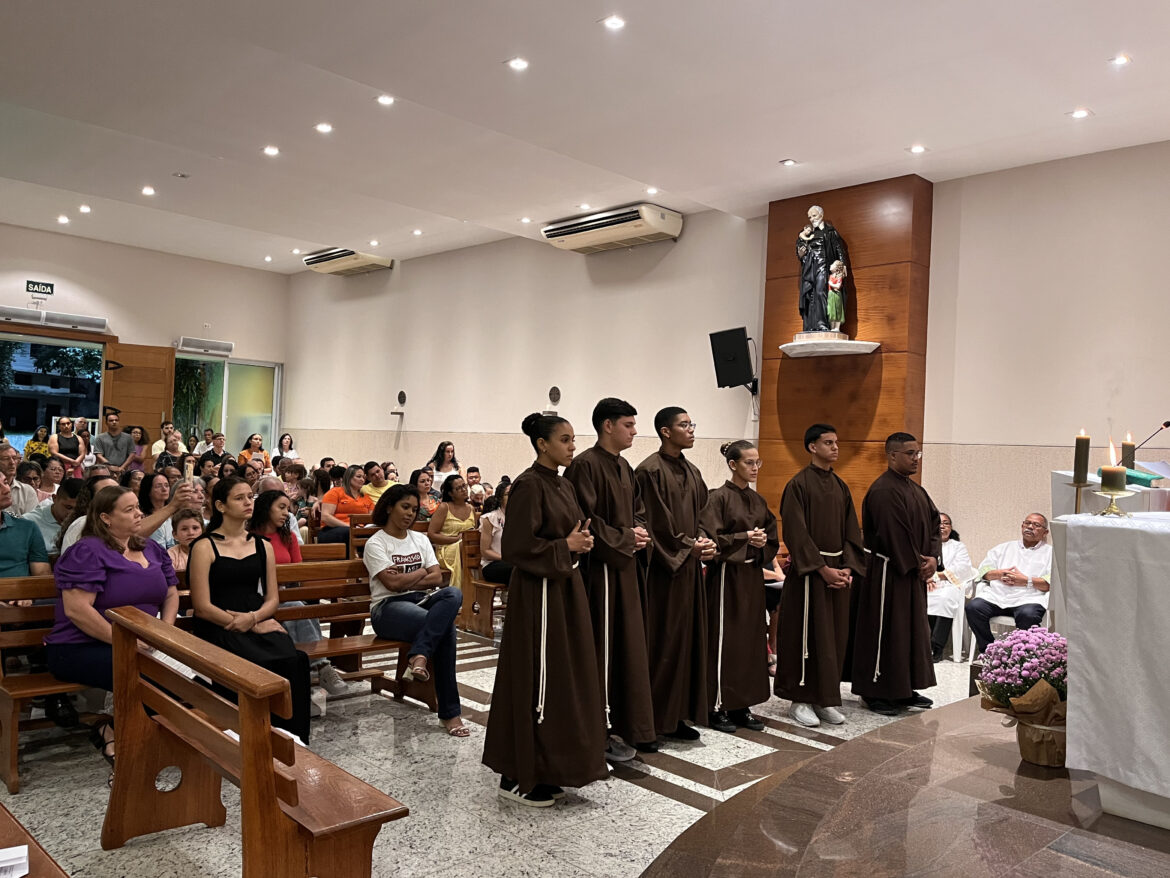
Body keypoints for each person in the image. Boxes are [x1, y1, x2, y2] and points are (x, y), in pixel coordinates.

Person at [482, 413, 605, 806]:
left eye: (573, 439)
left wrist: (581, 542)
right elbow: (516, 547)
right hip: (538, 595)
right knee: (535, 676)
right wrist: (565, 547)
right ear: (542, 444)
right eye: (565, 439)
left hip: (564, 590)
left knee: (563, 680)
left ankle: (550, 765)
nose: (573, 445)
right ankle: (518, 773)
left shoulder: (562, 484)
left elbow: (568, 533)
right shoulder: (528, 485)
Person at [45, 485, 180, 769]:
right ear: (106, 517)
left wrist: (165, 633)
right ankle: (126, 741)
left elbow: (170, 593)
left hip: (143, 641)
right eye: (129, 509)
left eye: (138, 508)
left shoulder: (151, 548)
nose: (139, 514)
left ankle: (147, 739)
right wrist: (126, 641)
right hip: (79, 646)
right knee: (146, 671)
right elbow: (77, 610)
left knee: (190, 670)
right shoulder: (88, 550)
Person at [564, 397, 656, 759]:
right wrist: (624, 538)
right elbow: (585, 519)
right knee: (602, 648)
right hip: (599, 573)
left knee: (626, 647)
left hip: (625, 569)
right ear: (608, 425)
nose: (634, 431)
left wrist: (640, 531)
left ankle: (624, 724)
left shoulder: (624, 467)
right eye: (629, 425)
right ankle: (597, 730)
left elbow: (638, 511)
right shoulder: (586, 465)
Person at [187, 477, 312, 743]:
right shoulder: (204, 546)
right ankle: (249, 733)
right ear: (220, 505)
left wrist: (256, 618)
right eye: (239, 498)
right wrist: (251, 624)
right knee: (255, 663)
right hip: (219, 621)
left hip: (256, 615)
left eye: (249, 497)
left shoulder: (260, 545)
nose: (248, 502)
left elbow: (272, 599)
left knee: (293, 659)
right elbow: (202, 606)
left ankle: (291, 737)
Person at [775, 424, 866, 727]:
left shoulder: (841, 486)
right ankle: (800, 698)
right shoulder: (798, 485)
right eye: (828, 443)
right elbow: (796, 533)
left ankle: (825, 698)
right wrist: (822, 569)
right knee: (807, 636)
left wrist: (849, 568)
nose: (835, 448)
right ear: (812, 447)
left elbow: (852, 530)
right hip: (810, 575)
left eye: (836, 442)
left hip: (837, 574)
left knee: (833, 639)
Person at [634, 407, 714, 744]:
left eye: (692, 424)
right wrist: (687, 547)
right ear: (666, 432)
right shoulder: (648, 471)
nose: (692, 430)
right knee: (662, 643)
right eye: (685, 425)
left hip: (690, 571)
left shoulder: (693, 471)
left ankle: (678, 714)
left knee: (687, 643)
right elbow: (652, 522)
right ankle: (651, 720)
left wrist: (706, 540)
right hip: (663, 573)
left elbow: (705, 513)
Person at [850, 432, 940, 716]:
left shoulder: (917, 490)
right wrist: (919, 563)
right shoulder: (884, 490)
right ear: (891, 455)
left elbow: (935, 524)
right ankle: (875, 690)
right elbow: (893, 534)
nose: (916, 459)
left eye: (918, 453)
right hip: (887, 573)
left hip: (910, 573)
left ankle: (902, 688)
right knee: (885, 632)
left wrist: (933, 559)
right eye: (910, 454)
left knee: (909, 633)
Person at [365, 485, 466, 735]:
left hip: (420, 600)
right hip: (387, 608)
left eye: (414, 509)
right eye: (405, 507)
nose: (410, 514)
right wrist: (421, 572)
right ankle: (450, 714)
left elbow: (438, 579)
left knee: (453, 593)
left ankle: (419, 655)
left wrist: (408, 577)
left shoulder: (419, 539)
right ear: (389, 507)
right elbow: (392, 585)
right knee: (446, 630)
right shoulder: (376, 543)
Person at [701, 439, 779, 734]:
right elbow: (711, 538)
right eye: (749, 462)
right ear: (733, 465)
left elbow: (770, 536)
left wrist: (759, 544)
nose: (755, 468)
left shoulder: (758, 501)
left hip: (751, 578)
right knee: (725, 641)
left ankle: (741, 704)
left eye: (758, 462)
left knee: (749, 641)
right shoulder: (717, 498)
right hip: (726, 578)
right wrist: (744, 537)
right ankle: (716, 704)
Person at [249, 490, 349, 696]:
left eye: (288, 508)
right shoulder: (250, 537)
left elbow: (298, 572)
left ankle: (307, 672)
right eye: (281, 507)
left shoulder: (289, 537)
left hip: (285, 595)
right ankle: (321, 667)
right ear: (266, 508)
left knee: (299, 609)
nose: (287, 513)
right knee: (298, 609)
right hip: (256, 599)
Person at [966, 513, 1053, 658]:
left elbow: (1050, 584)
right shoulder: (1003, 548)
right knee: (973, 608)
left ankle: (1021, 657)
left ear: (1045, 532)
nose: (1030, 527)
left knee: (1028, 615)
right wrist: (999, 574)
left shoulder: (1050, 554)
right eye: (1027, 523)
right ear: (1022, 525)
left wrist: (1025, 580)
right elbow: (983, 572)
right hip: (998, 596)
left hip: (1029, 598)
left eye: (1036, 525)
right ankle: (990, 652)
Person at [927, 513, 975, 661]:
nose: (942, 526)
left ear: (951, 527)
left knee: (944, 599)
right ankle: (922, 645)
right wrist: (926, 577)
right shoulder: (925, 544)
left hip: (950, 584)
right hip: (926, 582)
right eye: (938, 523)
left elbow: (962, 567)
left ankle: (936, 646)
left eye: (946, 523)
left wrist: (937, 576)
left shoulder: (958, 547)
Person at [795, 204, 850, 333]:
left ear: (821, 215)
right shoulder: (807, 233)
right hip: (810, 267)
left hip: (824, 266)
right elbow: (800, 249)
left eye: (814, 215)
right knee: (811, 295)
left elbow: (839, 249)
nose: (812, 219)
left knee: (821, 292)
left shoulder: (830, 231)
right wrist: (801, 253)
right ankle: (811, 325)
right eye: (810, 217)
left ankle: (822, 324)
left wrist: (843, 265)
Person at [427, 475, 476, 593]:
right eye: (458, 488)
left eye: (464, 486)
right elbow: (432, 534)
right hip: (446, 549)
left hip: (466, 548)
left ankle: (476, 588)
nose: (463, 489)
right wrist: (456, 539)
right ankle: (463, 591)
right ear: (450, 493)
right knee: (463, 546)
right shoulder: (444, 507)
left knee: (473, 546)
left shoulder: (471, 508)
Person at [0, 473, 51, 577]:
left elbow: (42, 576)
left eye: (5, 483)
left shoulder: (27, 528)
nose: (7, 490)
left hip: (20, 591)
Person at [56, 475, 119, 555]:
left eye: (119, 491)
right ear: (90, 500)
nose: (116, 497)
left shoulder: (127, 521)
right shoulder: (83, 523)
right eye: (106, 493)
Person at [24, 478, 83, 554]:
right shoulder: (28, 522)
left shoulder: (86, 521)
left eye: (78, 509)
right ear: (55, 498)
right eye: (68, 507)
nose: (72, 513)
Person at [318, 464, 373, 544]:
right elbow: (326, 517)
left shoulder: (366, 497)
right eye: (358, 476)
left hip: (359, 530)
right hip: (332, 529)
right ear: (349, 477)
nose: (362, 480)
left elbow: (371, 518)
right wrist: (349, 526)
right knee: (348, 532)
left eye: (363, 477)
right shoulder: (335, 492)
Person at [479, 482, 512, 584]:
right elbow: (485, 551)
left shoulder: (520, 518)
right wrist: (506, 558)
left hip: (514, 562)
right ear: (500, 498)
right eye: (508, 494)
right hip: (493, 564)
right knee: (519, 570)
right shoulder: (490, 518)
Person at [765, 541, 789, 675]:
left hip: (772, 583)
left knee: (780, 601)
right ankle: (765, 652)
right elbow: (752, 570)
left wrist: (782, 578)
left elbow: (775, 565)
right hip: (754, 582)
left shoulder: (767, 542)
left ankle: (773, 645)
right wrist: (776, 576)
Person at [0, 443, 38, 515]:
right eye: (6, 459)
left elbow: (30, 521)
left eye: (14, 458)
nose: (12, 462)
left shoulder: (27, 491)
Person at [166, 508, 204, 573]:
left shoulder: (211, 551)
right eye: (184, 529)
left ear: (203, 532)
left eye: (195, 528)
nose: (190, 533)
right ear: (175, 534)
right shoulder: (170, 555)